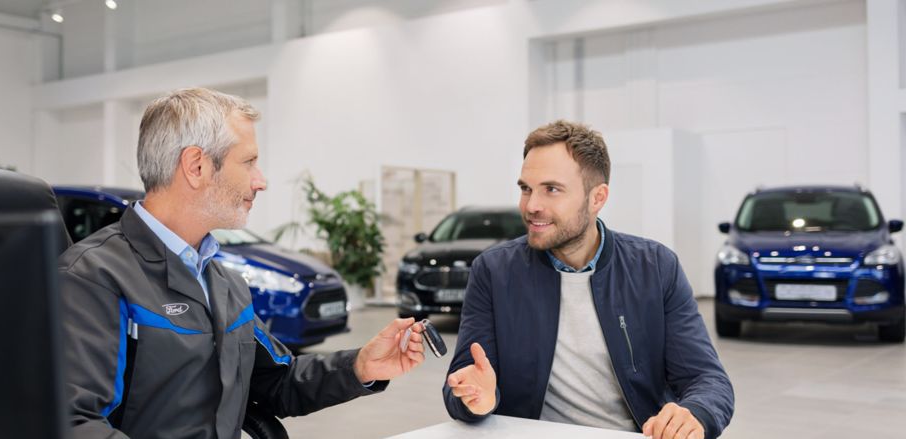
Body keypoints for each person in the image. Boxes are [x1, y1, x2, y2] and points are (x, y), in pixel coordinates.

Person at [59, 87, 426, 439]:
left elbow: (277, 381)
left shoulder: (223, 282)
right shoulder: (94, 278)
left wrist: (361, 365)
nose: (260, 181)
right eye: (249, 162)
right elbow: (74, 423)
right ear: (196, 166)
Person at [443, 120, 734, 439]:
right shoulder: (494, 271)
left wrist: (695, 413)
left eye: (551, 189)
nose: (531, 206)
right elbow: (462, 382)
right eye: (526, 188)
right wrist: (476, 399)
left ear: (597, 198)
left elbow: (707, 379)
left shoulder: (655, 266)